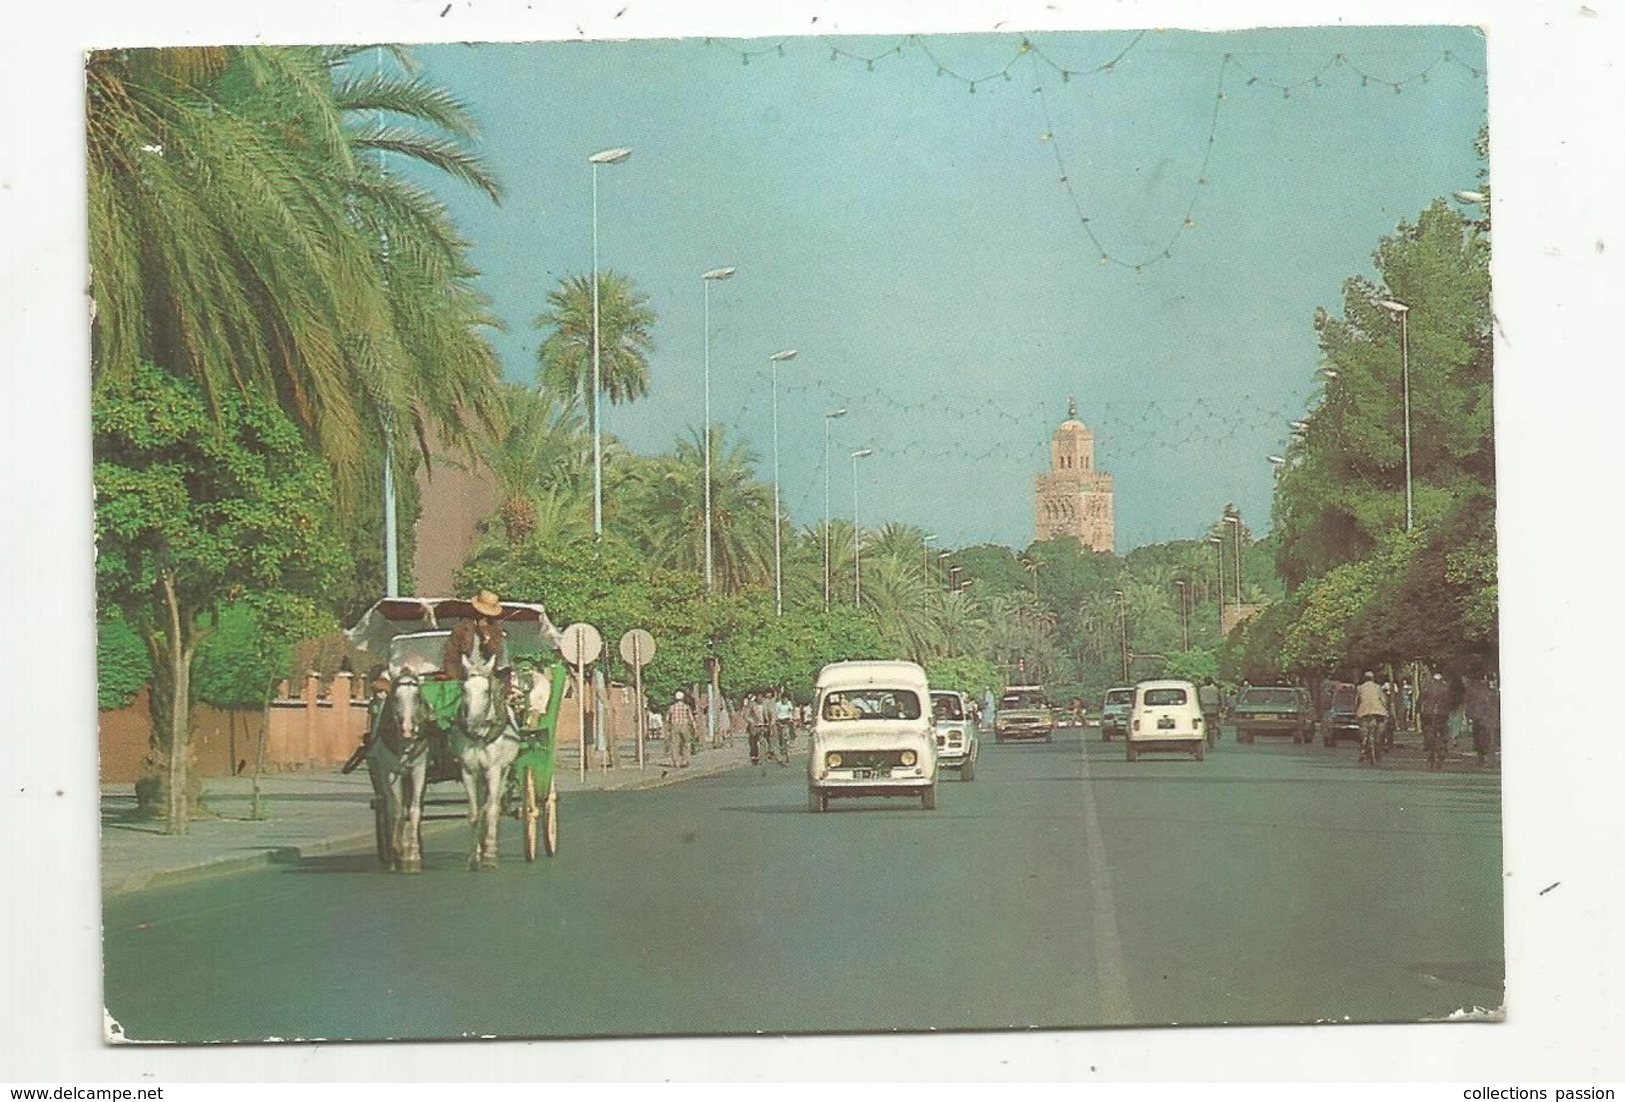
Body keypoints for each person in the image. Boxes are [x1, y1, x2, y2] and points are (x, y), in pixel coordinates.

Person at [442, 589, 509, 679]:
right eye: (482, 614)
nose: (484, 617)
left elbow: (497, 654)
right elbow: (451, 657)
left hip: (489, 676)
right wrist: (456, 679)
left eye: (487, 615)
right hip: (466, 676)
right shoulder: (461, 628)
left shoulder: (496, 630)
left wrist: (486, 637)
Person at [1353, 670, 1389, 765]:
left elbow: (1356, 701)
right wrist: (1386, 709)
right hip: (1378, 712)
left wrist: (1355, 711)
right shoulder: (1378, 687)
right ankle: (1381, 744)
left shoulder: (1360, 688)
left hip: (1364, 713)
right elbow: (1383, 700)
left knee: (1363, 732)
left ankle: (1363, 748)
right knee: (1381, 730)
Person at [1420, 671, 1453, 770]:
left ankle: (1428, 745)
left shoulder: (1427, 687)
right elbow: (1450, 701)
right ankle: (1444, 743)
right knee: (1443, 730)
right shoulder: (1446, 687)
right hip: (1442, 714)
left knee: (1427, 729)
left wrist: (1418, 709)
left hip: (1429, 713)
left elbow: (1421, 699)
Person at [664, 690, 695, 768]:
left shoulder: (672, 707)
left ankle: (676, 762)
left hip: (674, 725)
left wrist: (667, 728)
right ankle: (685, 760)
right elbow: (691, 718)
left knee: (675, 744)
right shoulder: (686, 707)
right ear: (683, 698)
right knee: (686, 743)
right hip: (685, 724)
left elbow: (667, 719)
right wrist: (694, 727)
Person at [1197, 677, 1222, 747]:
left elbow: (1198, 699)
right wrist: (1221, 706)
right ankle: (1218, 729)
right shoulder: (1216, 689)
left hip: (1204, 708)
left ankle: (1206, 733)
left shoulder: (1201, 689)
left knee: (1204, 723)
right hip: (1214, 708)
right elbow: (1220, 698)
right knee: (1216, 720)